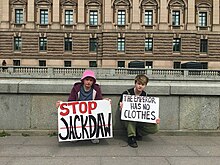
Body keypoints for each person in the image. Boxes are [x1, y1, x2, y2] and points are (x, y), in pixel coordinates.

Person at [56, 69, 105, 144]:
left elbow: (99, 102)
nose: (88, 82)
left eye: (91, 80)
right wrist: (62, 104)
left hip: (91, 112)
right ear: (83, 80)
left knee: (95, 117)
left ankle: (94, 135)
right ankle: (75, 135)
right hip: (79, 111)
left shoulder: (96, 89)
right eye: (87, 79)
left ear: (93, 82)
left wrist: (106, 102)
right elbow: (71, 101)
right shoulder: (76, 88)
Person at [118, 74, 160, 148]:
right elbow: (121, 108)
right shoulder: (126, 93)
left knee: (155, 128)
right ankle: (131, 137)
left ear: (145, 85)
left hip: (141, 120)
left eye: (143, 84)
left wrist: (155, 118)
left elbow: (148, 110)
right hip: (128, 120)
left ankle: (138, 133)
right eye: (139, 83)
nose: (140, 86)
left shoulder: (146, 96)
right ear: (135, 83)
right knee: (130, 117)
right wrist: (121, 107)